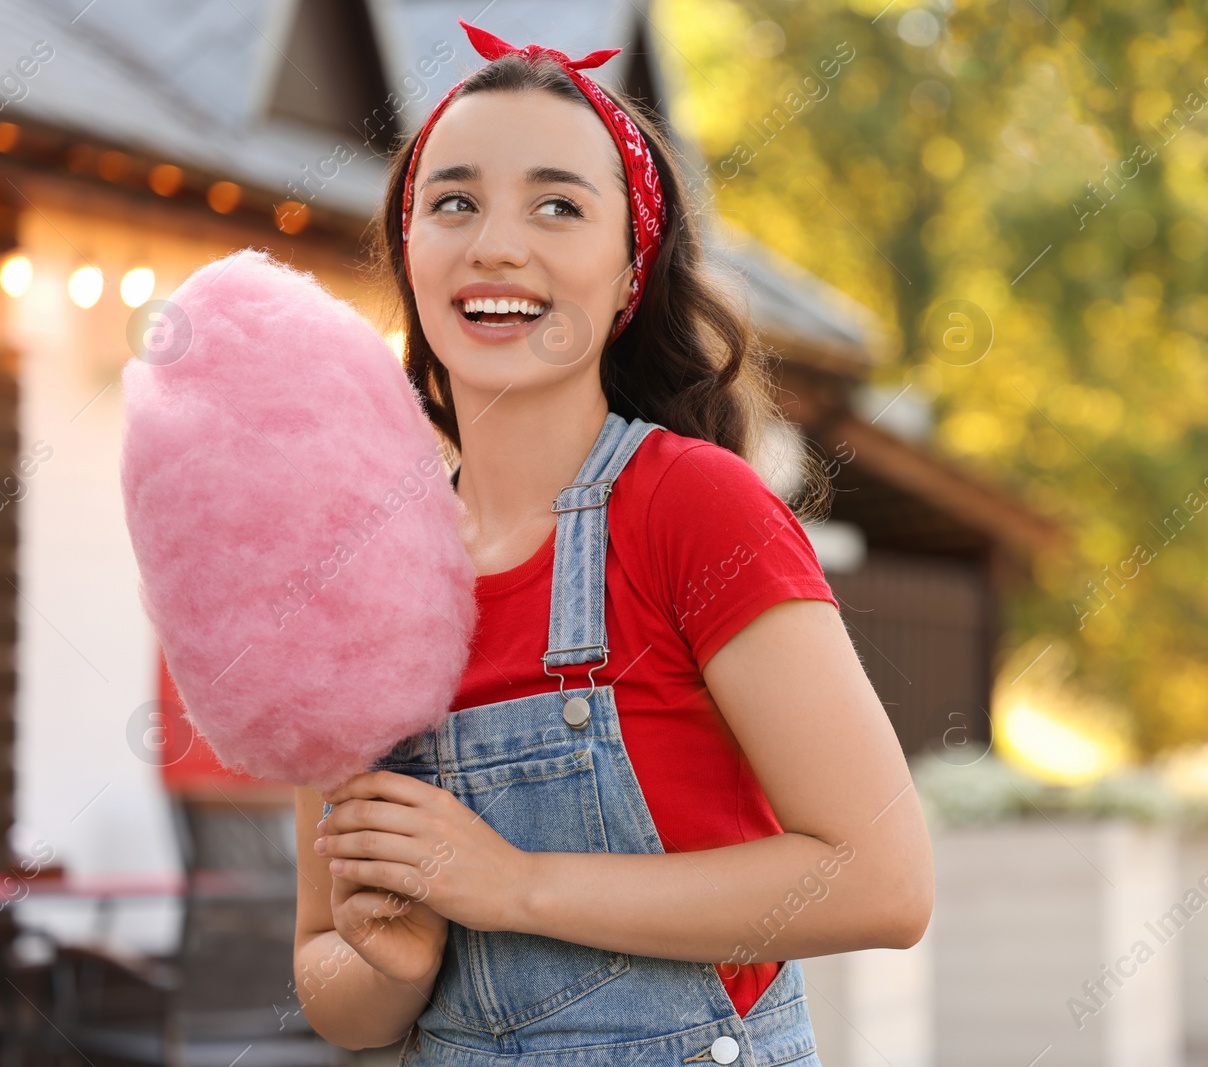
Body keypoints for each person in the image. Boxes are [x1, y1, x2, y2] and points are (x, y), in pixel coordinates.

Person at [291, 21, 932, 1064]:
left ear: (630, 272)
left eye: (557, 204)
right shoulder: (356, 574)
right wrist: (390, 964)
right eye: (452, 201)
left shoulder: (694, 509)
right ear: (410, 256)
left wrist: (512, 884)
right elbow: (326, 970)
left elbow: (882, 879)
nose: (497, 242)